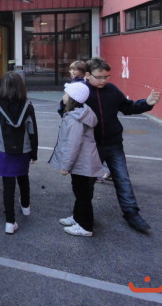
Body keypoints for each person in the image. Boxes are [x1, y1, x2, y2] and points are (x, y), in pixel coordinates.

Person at [83, 57, 161, 232]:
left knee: (122, 179)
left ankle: (131, 213)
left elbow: (127, 107)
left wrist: (146, 103)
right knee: (86, 183)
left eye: (107, 76)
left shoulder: (112, 90)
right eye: (99, 77)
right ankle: (84, 214)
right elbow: (65, 112)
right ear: (88, 75)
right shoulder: (81, 91)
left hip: (113, 143)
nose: (104, 80)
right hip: (91, 146)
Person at [48, 82, 103, 237]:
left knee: (82, 194)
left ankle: (85, 226)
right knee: (81, 192)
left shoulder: (75, 118)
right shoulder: (81, 112)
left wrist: (65, 166)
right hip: (84, 162)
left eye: (65, 93)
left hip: (82, 163)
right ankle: (78, 217)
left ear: (72, 98)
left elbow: (73, 144)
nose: (63, 96)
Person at [0, 71, 38, 235]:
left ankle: (10, 222)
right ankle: (25, 206)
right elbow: (32, 131)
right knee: (23, 177)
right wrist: (34, 153)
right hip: (23, 148)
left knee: (8, 184)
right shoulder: (28, 106)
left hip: (4, 149)